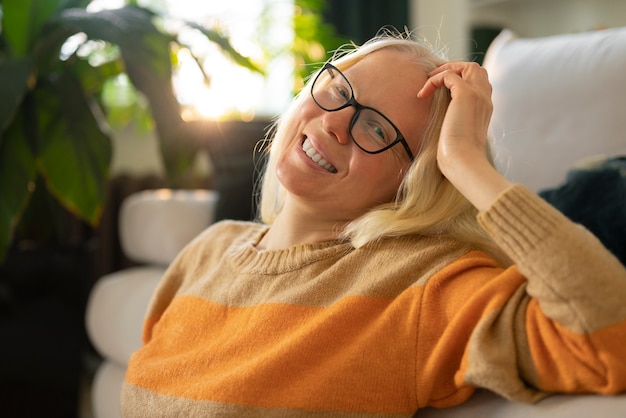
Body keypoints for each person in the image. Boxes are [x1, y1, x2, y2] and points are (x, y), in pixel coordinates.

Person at [120, 30, 626, 417]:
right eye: (340, 91)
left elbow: (608, 339)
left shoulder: (419, 286)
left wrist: (467, 161)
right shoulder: (208, 250)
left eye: (377, 128)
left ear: (412, 184)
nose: (336, 123)